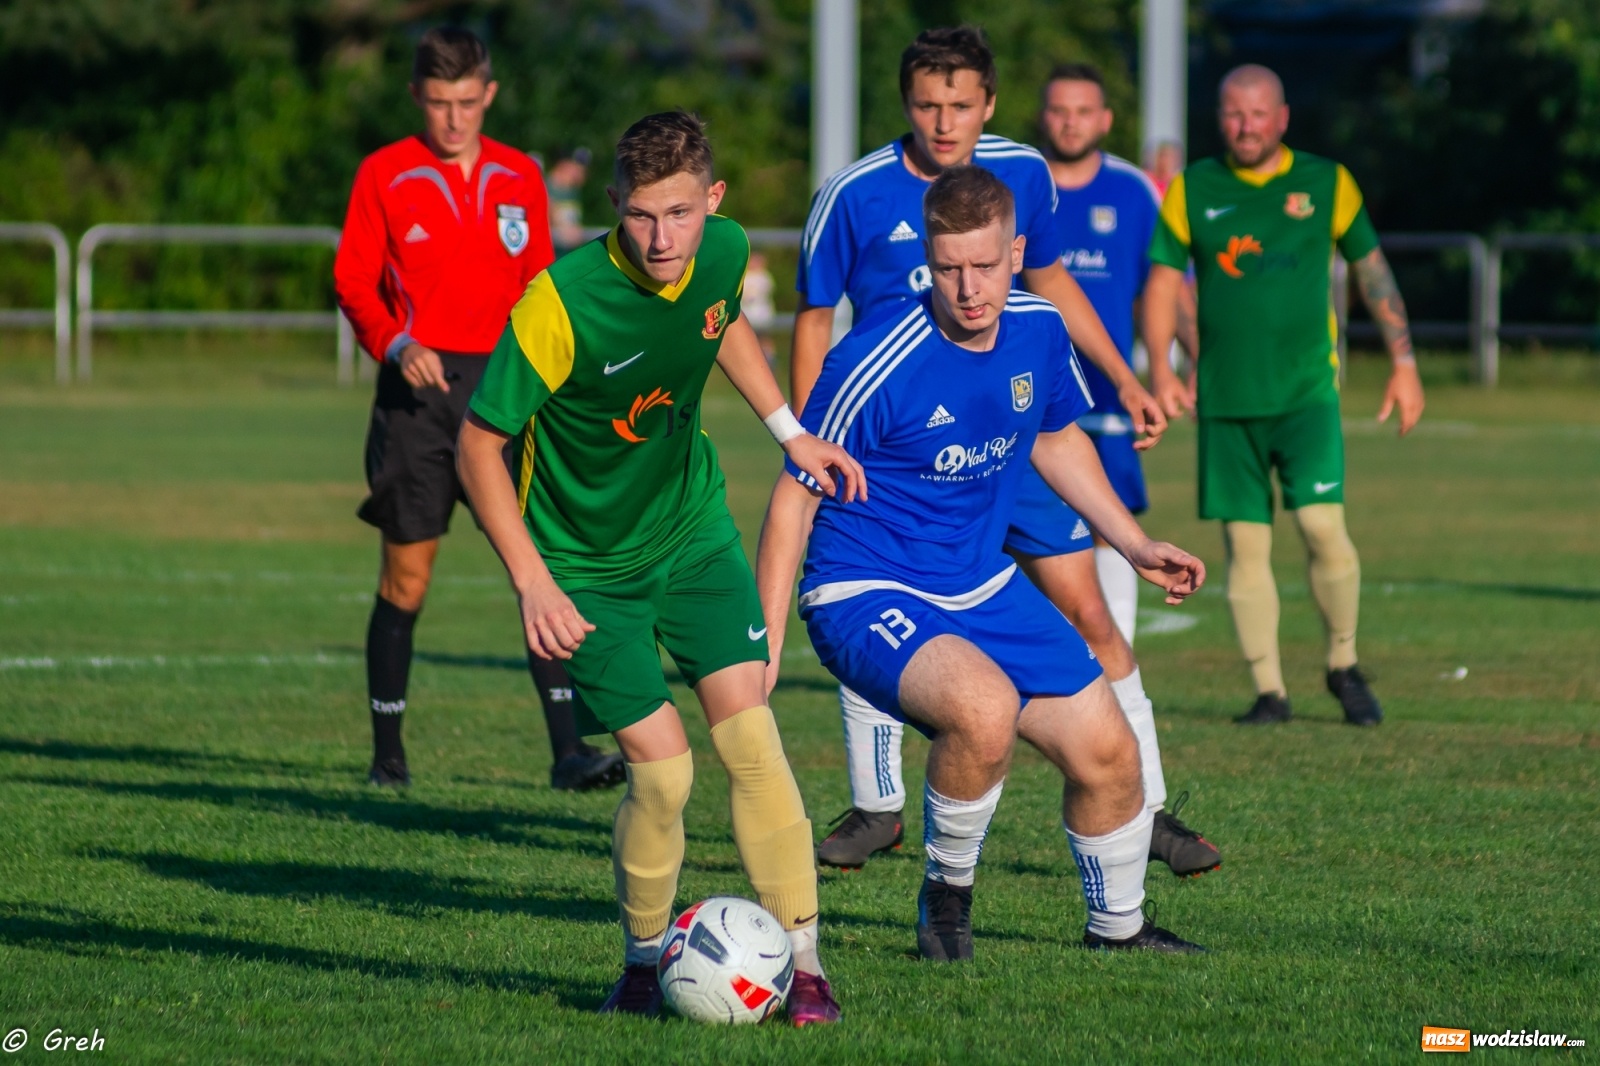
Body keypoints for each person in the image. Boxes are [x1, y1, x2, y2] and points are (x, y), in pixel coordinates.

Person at [456, 111, 862, 1022]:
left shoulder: (723, 252)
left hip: (690, 532)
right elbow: (478, 446)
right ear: (613, 204)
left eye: (680, 213)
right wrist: (531, 580)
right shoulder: (559, 304)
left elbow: (721, 325)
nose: (662, 238)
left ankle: (805, 965)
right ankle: (644, 965)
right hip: (584, 568)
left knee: (752, 739)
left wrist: (792, 433)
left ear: (712, 200)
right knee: (666, 776)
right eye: (640, 215)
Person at [758, 165, 1207, 960]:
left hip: (979, 582)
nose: (969, 289)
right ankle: (945, 901)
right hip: (864, 585)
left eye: (986, 265)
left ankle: (1118, 931)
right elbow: (793, 499)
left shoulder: (1039, 327)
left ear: (1018, 252)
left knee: (1110, 753)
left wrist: (1134, 544)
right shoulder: (873, 358)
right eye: (949, 268)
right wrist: (763, 641)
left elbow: (1054, 438)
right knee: (984, 709)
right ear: (927, 260)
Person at [789, 25, 1181, 873]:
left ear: (989, 104)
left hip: (1008, 429)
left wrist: (1124, 376)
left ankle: (1143, 805)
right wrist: (806, 438)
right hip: (897, 448)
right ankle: (878, 805)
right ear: (905, 104)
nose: (944, 121)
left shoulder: (1024, 175)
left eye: (961, 104)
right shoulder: (853, 192)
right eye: (928, 104)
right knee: (891, 607)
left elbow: (1050, 283)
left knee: (1088, 612)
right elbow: (816, 319)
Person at [333, 28, 622, 791]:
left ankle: (569, 753)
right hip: (417, 399)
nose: (454, 118)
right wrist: (397, 344)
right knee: (407, 579)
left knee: (541, 570)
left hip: (504, 394)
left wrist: (560, 379)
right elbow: (353, 281)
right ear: (416, 98)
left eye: (466, 101)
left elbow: (540, 286)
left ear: (488, 94)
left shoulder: (519, 173)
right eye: (438, 103)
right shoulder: (383, 174)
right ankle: (388, 759)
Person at [1142, 64, 1425, 726]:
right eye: (1233, 114)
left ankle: (1343, 665)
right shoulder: (1192, 188)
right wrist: (1160, 368)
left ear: (1283, 118)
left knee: (1324, 529)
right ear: (1220, 118)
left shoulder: (1328, 182)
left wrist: (1404, 362)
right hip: (1225, 401)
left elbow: (1372, 268)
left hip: (1306, 396)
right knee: (1245, 548)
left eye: (1258, 114)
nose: (1246, 127)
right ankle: (1270, 692)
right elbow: (1161, 284)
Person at [1037, 63, 1216, 875]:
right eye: (1059, 110)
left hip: (1107, 412)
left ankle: (1143, 800)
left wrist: (1183, 360)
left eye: (1084, 110)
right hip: (1023, 410)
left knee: (1108, 595)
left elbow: (1164, 287)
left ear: (1105, 118)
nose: (1070, 122)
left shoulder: (1135, 192)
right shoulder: (1021, 187)